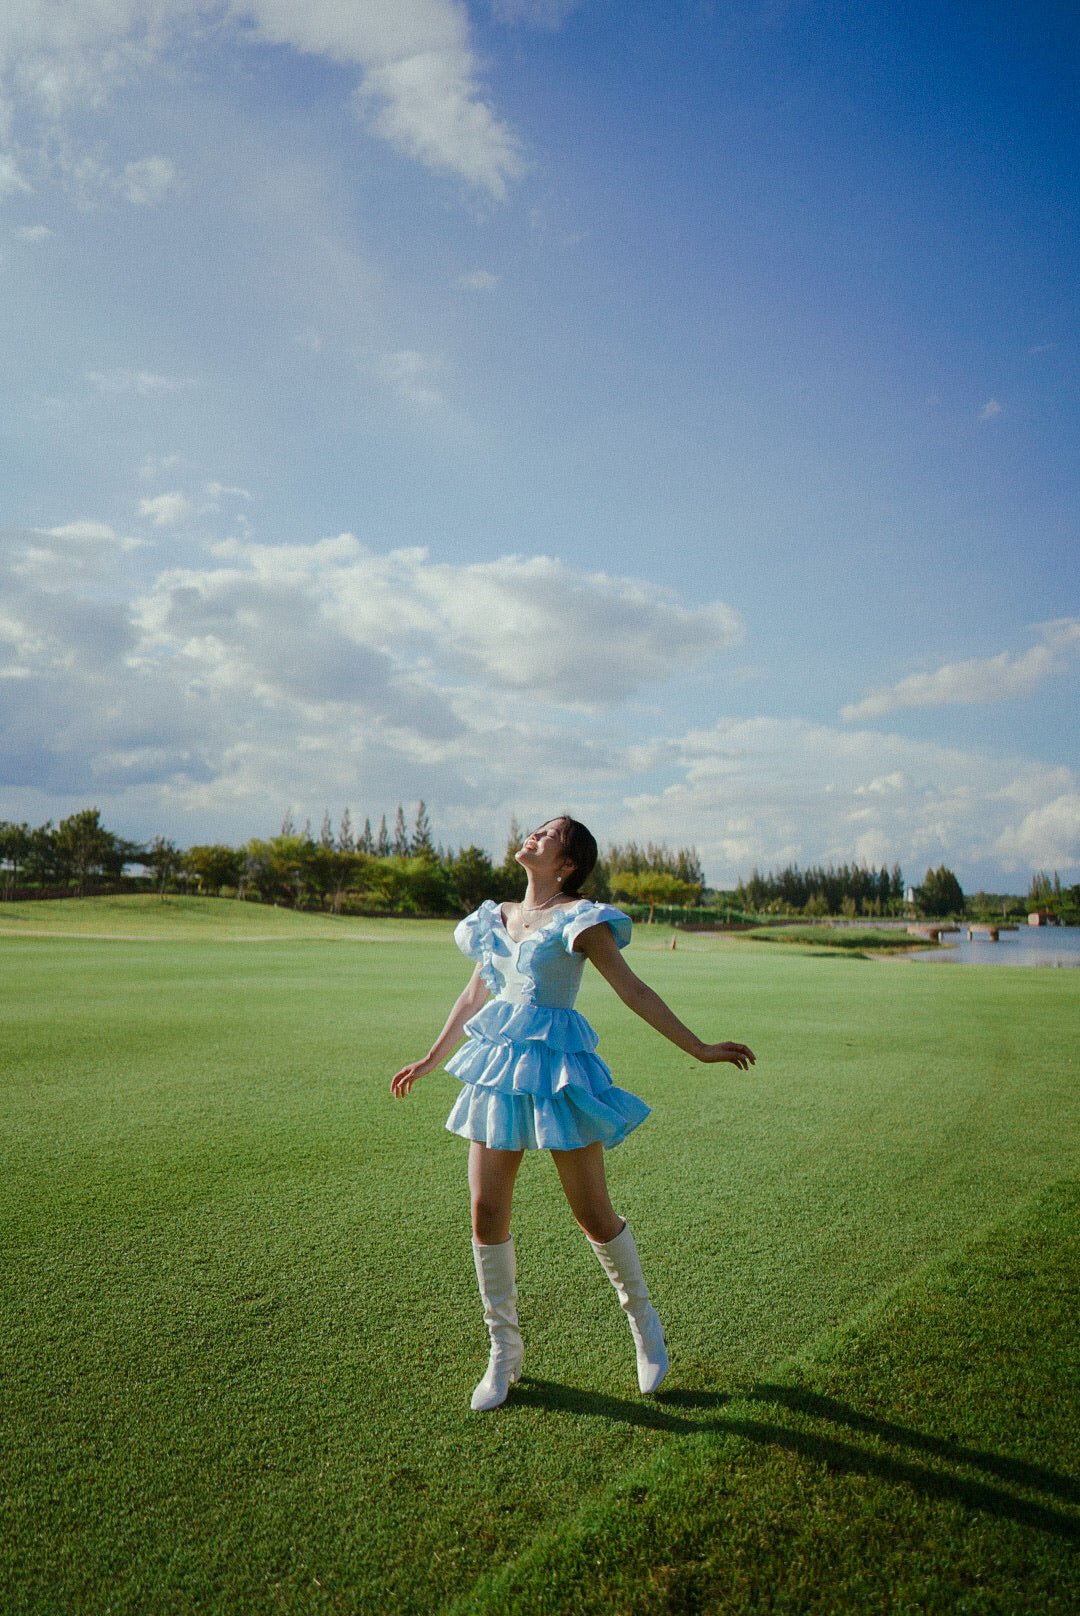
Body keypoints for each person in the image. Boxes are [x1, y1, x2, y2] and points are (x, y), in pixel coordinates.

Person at [390, 815, 755, 1412]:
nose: (532, 835)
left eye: (548, 835)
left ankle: (643, 1322)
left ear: (567, 864)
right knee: (485, 1211)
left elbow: (634, 991)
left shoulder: (581, 921)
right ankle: (503, 1352)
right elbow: (475, 993)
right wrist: (432, 1059)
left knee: (591, 1212)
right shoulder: (494, 919)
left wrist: (701, 1048)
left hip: (560, 1072)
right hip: (497, 1071)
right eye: (535, 829)